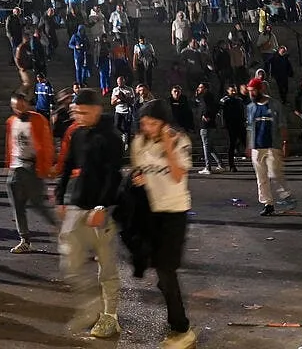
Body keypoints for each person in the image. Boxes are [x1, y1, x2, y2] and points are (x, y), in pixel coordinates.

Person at [55, 88, 124, 339]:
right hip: (77, 203)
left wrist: (102, 206)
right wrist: (60, 197)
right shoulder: (77, 133)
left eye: (83, 112)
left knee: (106, 265)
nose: (78, 117)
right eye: (75, 112)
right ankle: (92, 305)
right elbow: (68, 166)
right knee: (69, 260)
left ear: (96, 110)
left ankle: (110, 316)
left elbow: (113, 174)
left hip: (103, 210)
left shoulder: (112, 137)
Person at [131, 100, 197, 349]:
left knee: (167, 272)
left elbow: (178, 176)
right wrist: (138, 178)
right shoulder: (139, 142)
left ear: (164, 122)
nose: (147, 128)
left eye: (153, 123)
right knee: (160, 269)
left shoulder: (180, 140)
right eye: (144, 123)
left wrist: (168, 146)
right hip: (150, 212)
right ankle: (166, 286)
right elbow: (138, 170)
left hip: (174, 211)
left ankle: (182, 328)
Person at [5, 92, 55, 254]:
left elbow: (46, 144)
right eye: (15, 107)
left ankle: (64, 232)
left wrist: (45, 168)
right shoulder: (11, 121)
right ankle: (24, 239)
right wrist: (9, 163)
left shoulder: (38, 119)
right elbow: (11, 144)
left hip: (32, 167)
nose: (19, 110)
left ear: (27, 104)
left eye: (21, 106)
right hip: (16, 167)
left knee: (38, 204)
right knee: (17, 205)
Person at [245, 77, 296, 216]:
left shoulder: (275, 104)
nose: (251, 94)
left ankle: (286, 196)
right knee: (261, 177)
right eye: (249, 91)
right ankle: (268, 203)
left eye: (253, 90)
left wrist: (285, 142)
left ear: (260, 89)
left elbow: (282, 124)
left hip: (272, 145)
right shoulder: (250, 108)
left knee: (274, 173)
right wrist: (249, 145)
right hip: (257, 146)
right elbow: (249, 127)